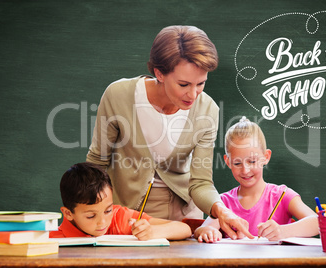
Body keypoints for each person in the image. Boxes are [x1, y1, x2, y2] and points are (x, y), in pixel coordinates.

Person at [86, 25, 252, 240]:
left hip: (180, 226)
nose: (193, 94)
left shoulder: (208, 110)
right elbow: (97, 163)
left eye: (201, 83)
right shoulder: (118, 95)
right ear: (159, 73)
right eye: (183, 84)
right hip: (125, 222)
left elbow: (200, 183)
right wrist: (90, 215)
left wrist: (222, 211)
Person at [194, 117, 319, 243]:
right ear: (227, 162)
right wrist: (207, 231)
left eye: (252, 161)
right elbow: (202, 229)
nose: (245, 170)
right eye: (237, 163)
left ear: (266, 157)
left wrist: (283, 231)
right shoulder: (223, 202)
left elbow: (317, 222)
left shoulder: (282, 195)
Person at [50, 162, 192, 240]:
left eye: (108, 210)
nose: (103, 222)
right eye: (91, 216)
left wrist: (152, 232)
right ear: (68, 213)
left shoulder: (120, 218)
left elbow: (184, 229)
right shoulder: (51, 237)